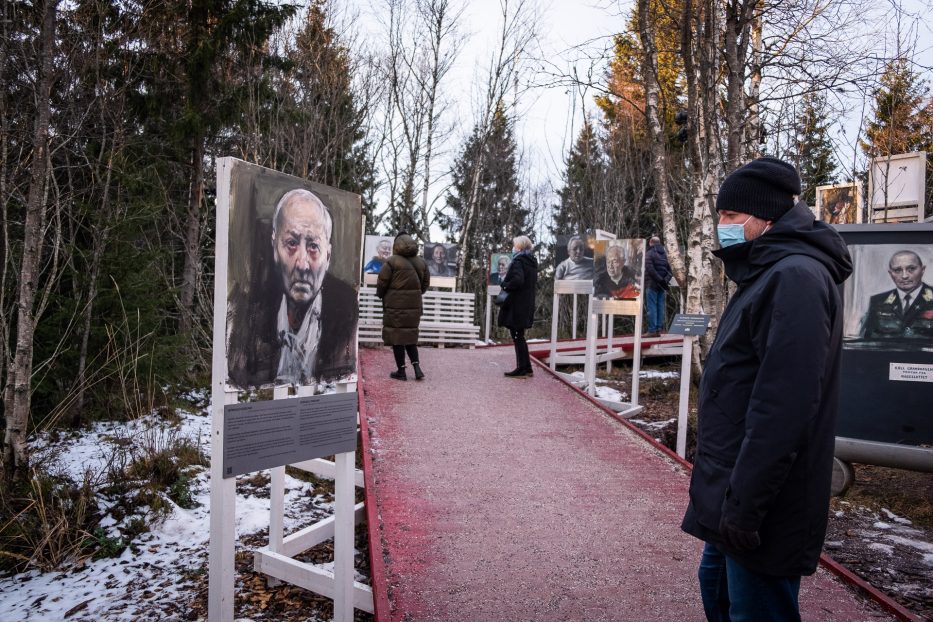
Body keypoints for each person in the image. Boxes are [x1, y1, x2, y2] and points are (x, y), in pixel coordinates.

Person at [681, 157, 852, 622]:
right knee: (715, 588)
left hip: (763, 500)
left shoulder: (793, 277)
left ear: (766, 217)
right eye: (719, 216)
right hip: (735, 488)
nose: (722, 227)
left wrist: (745, 505)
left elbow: (783, 408)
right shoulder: (767, 270)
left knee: (757, 611)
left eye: (731, 217)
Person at [227, 188, 358, 388]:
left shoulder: (346, 310)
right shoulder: (249, 311)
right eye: (291, 243)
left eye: (313, 246)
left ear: (328, 256)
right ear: (275, 248)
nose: (302, 264)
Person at [376, 233, 430, 380]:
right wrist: (414, 295)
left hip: (395, 307)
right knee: (410, 337)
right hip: (414, 307)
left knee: (397, 339)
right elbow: (425, 285)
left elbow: (382, 283)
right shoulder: (421, 262)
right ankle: (417, 368)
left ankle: (401, 371)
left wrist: (380, 294)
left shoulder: (392, 262)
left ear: (396, 245)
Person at [862, 250, 933, 340]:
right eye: (897, 270)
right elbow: (868, 341)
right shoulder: (878, 301)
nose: (904, 276)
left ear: (922, 270)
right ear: (891, 274)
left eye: (911, 269)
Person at [498, 235, 538, 378]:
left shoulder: (518, 261)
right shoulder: (532, 262)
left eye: (514, 245)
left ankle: (522, 368)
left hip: (517, 306)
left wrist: (504, 284)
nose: (513, 248)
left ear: (519, 247)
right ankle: (527, 367)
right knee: (520, 336)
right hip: (526, 305)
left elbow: (518, 280)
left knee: (517, 336)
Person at [644, 236, 672, 337]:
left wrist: (660, 280)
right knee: (660, 306)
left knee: (652, 307)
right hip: (662, 285)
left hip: (652, 284)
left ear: (650, 243)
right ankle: (659, 329)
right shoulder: (665, 255)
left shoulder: (649, 254)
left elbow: (650, 270)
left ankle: (652, 330)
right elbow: (670, 270)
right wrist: (665, 281)